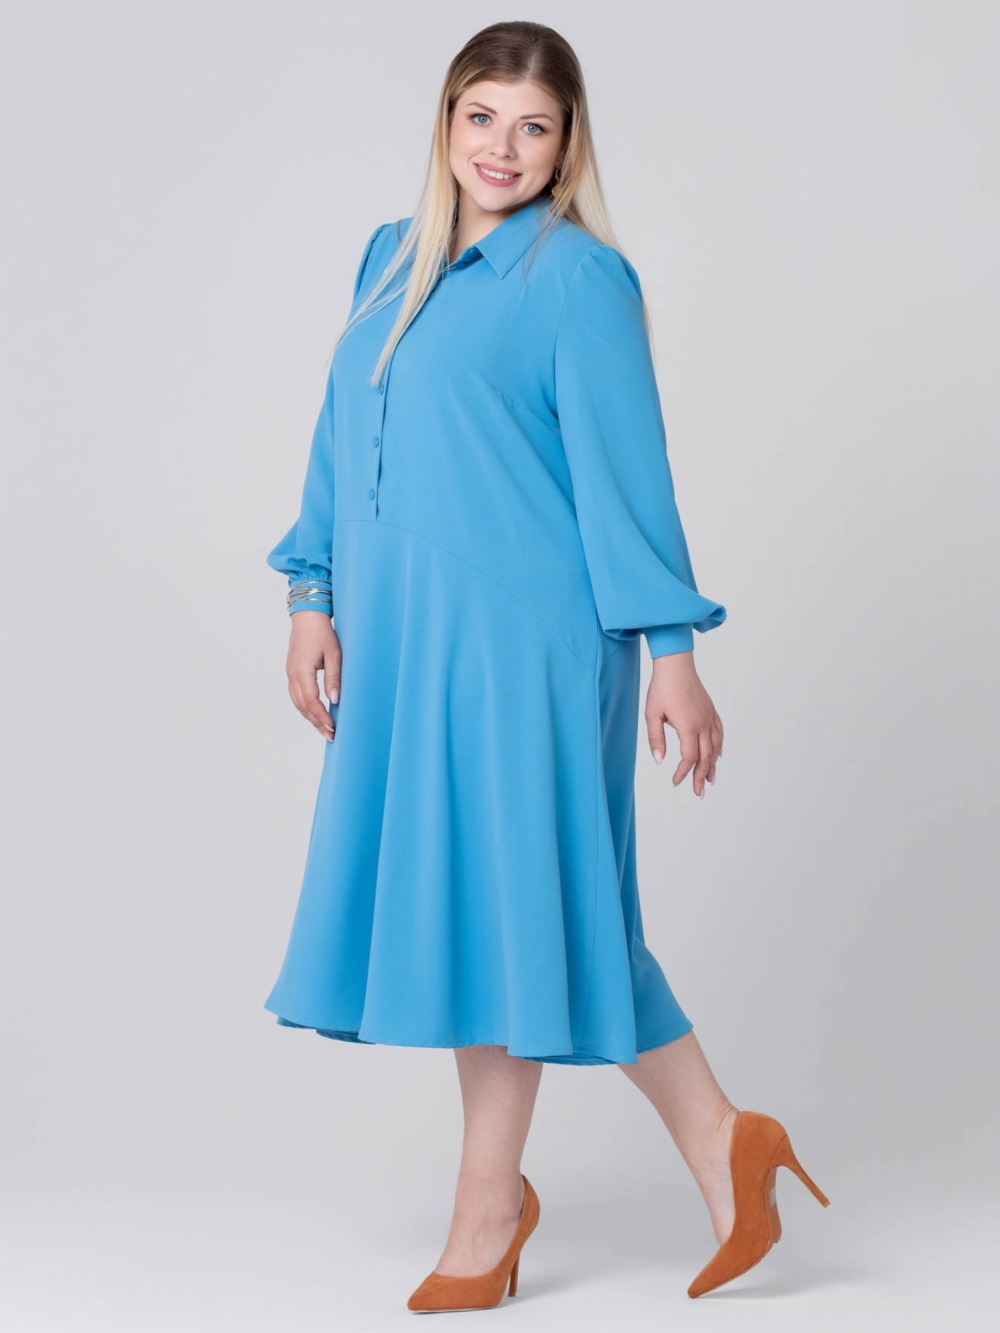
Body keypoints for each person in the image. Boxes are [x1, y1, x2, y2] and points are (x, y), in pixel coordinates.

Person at [264, 20, 829, 1313]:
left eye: (533, 126)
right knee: (521, 910)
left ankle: (489, 1211)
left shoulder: (579, 279)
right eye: (482, 117)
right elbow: (340, 439)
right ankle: (723, 1143)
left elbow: (627, 478)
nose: (503, 148)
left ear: (568, 145)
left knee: (526, 904)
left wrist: (672, 652)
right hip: (408, 642)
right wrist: (311, 594)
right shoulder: (387, 258)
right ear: (445, 122)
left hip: (532, 646)